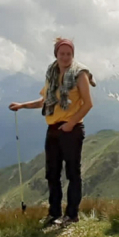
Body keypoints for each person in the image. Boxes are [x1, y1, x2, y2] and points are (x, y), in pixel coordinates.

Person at [9, 37, 95, 226]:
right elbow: (44, 101)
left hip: (72, 129)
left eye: (69, 54)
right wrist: (22, 105)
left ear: (73, 55)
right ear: (56, 54)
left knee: (72, 173)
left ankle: (71, 215)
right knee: (52, 173)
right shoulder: (52, 74)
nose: (65, 57)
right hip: (54, 128)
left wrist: (71, 124)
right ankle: (54, 213)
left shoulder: (80, 74)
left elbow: (88, 104)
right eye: (62, 53)